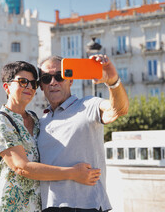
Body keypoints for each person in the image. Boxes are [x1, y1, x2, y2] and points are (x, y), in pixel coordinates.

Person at [0, 61, 101, 212]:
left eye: (33, 83)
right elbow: (22, 167)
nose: (29, 87)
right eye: (22, 82)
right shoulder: (0, 122)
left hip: (36, 207)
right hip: (9, 206)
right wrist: (73, 173)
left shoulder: (35, 120)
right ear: (6, 87)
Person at [37, 55, 129, 212]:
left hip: (86, 206)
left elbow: (118, 109)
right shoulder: (40, 123)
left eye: (60, 76)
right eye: (46, 78)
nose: (53, 82)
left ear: (71, 80)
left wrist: (113, 82)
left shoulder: (88, 105)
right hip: (49, 206)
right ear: (41, 85)